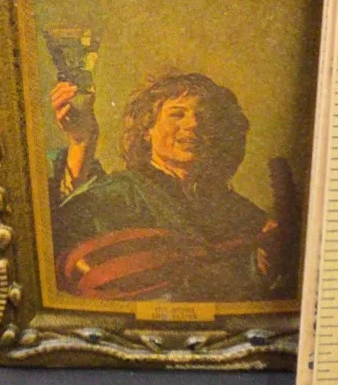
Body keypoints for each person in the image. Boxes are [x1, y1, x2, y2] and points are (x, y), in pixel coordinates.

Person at [49, 71, 298, 302]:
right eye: (177, 114)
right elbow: (64, 241)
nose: (194, 124)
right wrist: (81, 144)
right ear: (147, 130)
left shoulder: (238, 210)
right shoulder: (118, 192)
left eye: (205, 117)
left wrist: (265, 262)